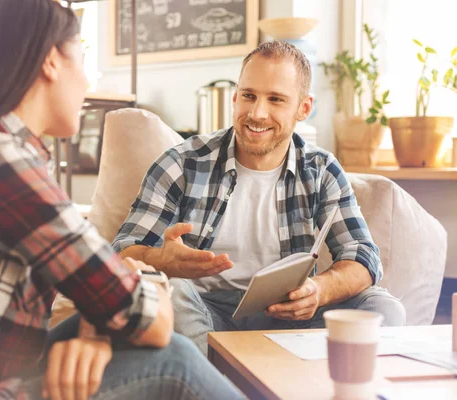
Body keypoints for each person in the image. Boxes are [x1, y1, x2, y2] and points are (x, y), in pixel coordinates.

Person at [0, 1, 244, 399]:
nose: (88, 80)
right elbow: (152, 321)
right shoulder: (0, 160)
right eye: (82, 59)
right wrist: (146, 270)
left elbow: (101, 283)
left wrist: (99, 324)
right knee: (172, 359)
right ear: (50, 61)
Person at [114, 40, 406, 356]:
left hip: (289, 314)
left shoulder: (321, 170)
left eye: (276, 99)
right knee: (172, 291)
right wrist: (163, 261)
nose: (257, 113)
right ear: (236, 97)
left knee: (383, 308)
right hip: (205, 311)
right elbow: (123, 250)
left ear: (303, 108)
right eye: (249, 96)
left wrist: (317, 290)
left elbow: (362, 254)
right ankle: (217, 385)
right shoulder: (181, 163)